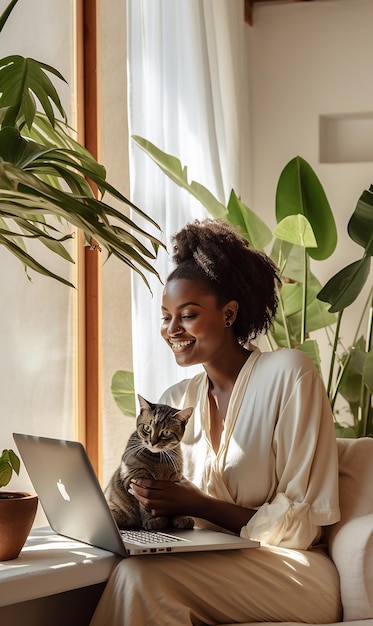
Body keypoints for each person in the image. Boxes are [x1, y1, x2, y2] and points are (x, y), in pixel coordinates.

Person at [90, 219, 341, 626]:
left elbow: (302, 524)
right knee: (123, 569)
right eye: (165, 316)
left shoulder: (289, 374)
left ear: (228, 314)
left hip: (294, 570)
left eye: (187, 315)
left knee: (141, 578)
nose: (172, 330)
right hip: (206, 556)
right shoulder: (177, 401)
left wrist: (197, 504)